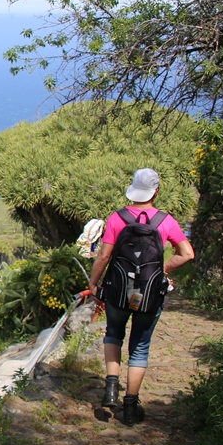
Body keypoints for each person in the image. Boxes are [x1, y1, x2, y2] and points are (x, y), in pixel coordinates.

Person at [87, 168, 194, 426]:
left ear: (133, 189)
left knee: (113, 333)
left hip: (117, 290)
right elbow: (187, 254)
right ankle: (131, 407)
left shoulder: (117, 218)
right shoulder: (166, 221)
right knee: (140, 346)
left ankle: (111, 387)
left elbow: (103, 256)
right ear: (156, 191)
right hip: (149, 293)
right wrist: (161, 270)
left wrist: (93, 284)